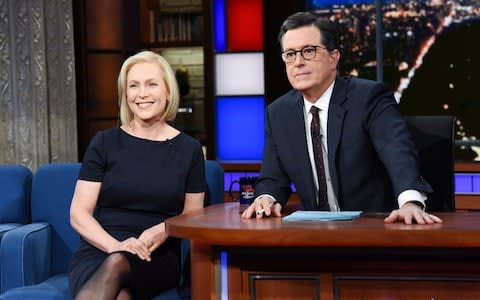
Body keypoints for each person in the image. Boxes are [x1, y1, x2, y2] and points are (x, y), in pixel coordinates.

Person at [241, 12, 442, 225]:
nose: (297, 62)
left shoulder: (369, 98)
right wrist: (265, 198)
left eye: (308, 51)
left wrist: (410, 202)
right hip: (315, 236)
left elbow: (397, 152)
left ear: (334, 57)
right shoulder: (279, 113)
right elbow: (272, 177)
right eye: (290, 54)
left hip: (376, 228)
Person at [68, 50, 206, 300]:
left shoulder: (190, 150)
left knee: (118, 265)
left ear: (167, 92)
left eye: (151, 84)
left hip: (156, 253)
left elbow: (194, 214)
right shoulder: (104, 143)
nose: (142, 94)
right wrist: (115, 247)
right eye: (133, 86)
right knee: (119, 289)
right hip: (101, 247)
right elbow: (78, 214)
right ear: (125, 94)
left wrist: (164, 229)